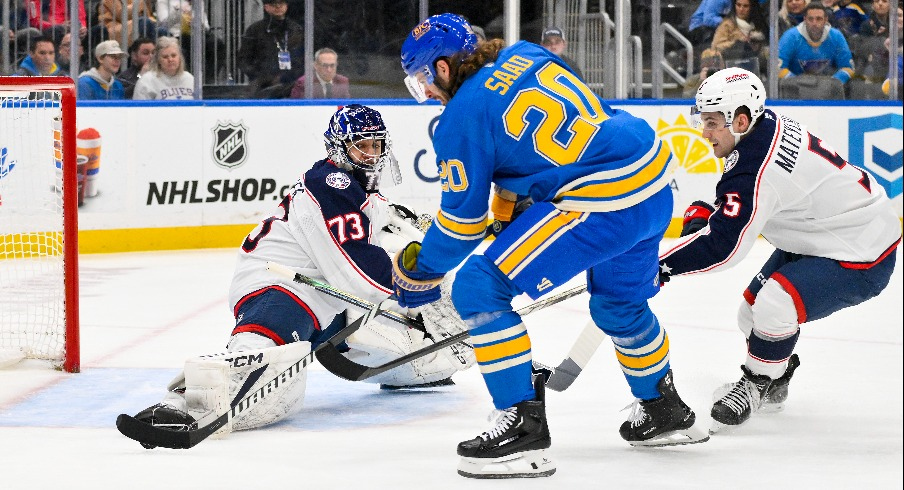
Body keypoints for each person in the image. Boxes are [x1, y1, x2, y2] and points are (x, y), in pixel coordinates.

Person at [395, 13, 708, 479]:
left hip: (603, 201)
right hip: (654, 181)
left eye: (424, 80)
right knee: (619, 305)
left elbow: (462, 225)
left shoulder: (458, 118)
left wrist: (422, 271)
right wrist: (519, 197)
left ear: (442, 68)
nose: (429, 94)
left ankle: (521, 428)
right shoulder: (525, 53)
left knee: (479, 288)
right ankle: (664, 410)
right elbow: (561, 138)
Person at [121, 105, 467, 447]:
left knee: (392, 338)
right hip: (282, 285)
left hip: (326, 297)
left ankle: (425, 368)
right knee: (263, 351)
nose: (371, 153)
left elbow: (386, 226)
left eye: (376, 145)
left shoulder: (359, 189)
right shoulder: (331, 184)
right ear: (338, 147)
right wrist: (412, 282)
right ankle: (179, 404)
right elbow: (358, 267)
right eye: (362, 145)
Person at [660, 67, 900, 432]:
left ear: (740, 120)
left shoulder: (755, 167)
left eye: (711, 123)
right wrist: (712, 218)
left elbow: (726, 248)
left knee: (775, 304)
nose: (704, 133)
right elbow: (753, 201)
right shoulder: (763, 123)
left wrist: (659, 265)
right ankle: (777, 375)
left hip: (861, 250)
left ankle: (756, 385)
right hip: (826, 232)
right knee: (751, 315)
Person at [237, 0, 304, 98]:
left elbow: (302, 59)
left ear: (286, 6)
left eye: (281, 3)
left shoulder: (295, 29)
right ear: (266, 6)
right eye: (273, 4)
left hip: (292, 84)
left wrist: (291, 76)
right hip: (262, 87)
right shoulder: (255, 30)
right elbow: (243, 60)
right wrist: (261, 77)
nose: (278, 6)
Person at [778, 2, 855, 85]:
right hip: (795, 92)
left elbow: (848, 68)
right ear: (804, 19)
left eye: (819, 19)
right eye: (810, 19)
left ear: (826, 20)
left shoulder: (836, 36)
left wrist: (832, 83)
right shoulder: (790, 37)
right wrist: (797, 83)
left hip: (827, 91)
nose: (814, 23)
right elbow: (778, 68)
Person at [132, 36, 194, 100]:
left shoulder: (190, 79)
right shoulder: (147, 81)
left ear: (180, 57)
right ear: (158, 60)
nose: (170, 59)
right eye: (165, 57)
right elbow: (140, 108)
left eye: (173, 55)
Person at [711, 0, 768, 68]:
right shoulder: (726, 25)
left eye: (745, 6)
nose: (741, 9)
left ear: (752, 7)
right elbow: (715, 47)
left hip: (755, 64)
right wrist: (737, 42)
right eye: (738, 5)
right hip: (731, 65)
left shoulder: (759, 25)